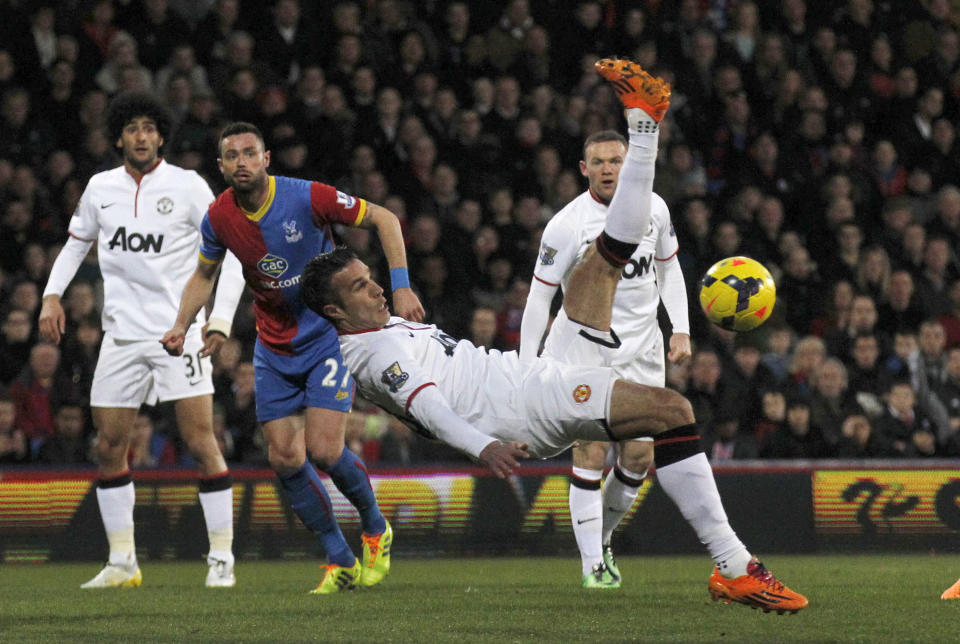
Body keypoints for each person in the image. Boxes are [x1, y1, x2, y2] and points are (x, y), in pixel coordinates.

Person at [302, 59, 808, 614]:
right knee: (672, 410)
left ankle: (645, 124)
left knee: (605, 260)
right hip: (521, 409)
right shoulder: (372, 354)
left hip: (526, 376)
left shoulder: (380, 323)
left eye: (370, 279)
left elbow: (388, 248)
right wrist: (483, 447)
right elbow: (431, 409)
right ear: (333, 310)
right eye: (360, 288)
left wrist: (397, 290)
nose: (374, 290)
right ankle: (733, 566)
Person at [161, 121, 425, 594]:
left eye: (250, 153)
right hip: (273, 345)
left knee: (324, 450)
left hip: (327, 332)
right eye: (231, 156)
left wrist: (401, 286)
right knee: (284, 457)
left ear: (266, 159)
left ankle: (374, 526)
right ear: (221, 167)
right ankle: (339, 559)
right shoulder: (219, 217)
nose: (242, 161)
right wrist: (182, 323)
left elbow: (384, 218)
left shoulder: (307, 197)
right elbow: (204, 275)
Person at [39, 92, 246, 589]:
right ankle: (123, 561)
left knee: (201, 443)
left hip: (180, 334)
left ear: (161, 136)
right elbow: (75, 245)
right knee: (109, 446)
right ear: (118, 137)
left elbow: (234, 252)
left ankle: (222, 558)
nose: (141, 136)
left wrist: (218, 320)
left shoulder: (189, 186)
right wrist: (51, 295)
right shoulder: (99, 188)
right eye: (132, 127)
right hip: (122, 337)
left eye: (150, 128)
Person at [519, 126, 690, 589]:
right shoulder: (566, 225)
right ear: (584, 169)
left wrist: (682, 329)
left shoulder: (654, 207)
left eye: (616, 160)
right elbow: (540, 300)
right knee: (590, 446)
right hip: (586, 352)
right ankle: (592, 563)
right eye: (598, 162)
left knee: (638, 456)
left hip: (644, 349)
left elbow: (670, 269)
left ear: (629, 164)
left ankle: (602, 541)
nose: (608, 169)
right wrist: (525, 363)